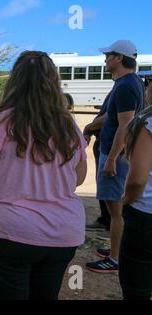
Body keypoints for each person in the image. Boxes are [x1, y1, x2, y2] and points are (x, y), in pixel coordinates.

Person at [0, 51, 88, 300]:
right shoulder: (69, 125)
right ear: (54, 82)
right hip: (62, 234)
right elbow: (79, 177)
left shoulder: (2, 119)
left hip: (9, 233)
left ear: (14, 80)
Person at [86, 40, 145, 273]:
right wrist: (90, 127)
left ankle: (114, 259)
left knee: (116, 210)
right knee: (115, 208)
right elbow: (111, 115)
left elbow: (125, 124)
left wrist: (111, 158)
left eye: (108, 55)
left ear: (119, 58)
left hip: (116, 156)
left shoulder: (125, 85)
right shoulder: (129, 83)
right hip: (116, 152)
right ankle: (116, 248)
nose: (105, 59)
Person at [120, 105, 152, 300]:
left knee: (137, 289)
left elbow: (137, 180)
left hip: (146, 215)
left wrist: (126, 201)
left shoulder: (148, 122)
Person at [83, 95, 111, 240]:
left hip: (109, 147)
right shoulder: (121, 85)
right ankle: (105, 220)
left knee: (110, 188)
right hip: (104, 144)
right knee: (103, 185)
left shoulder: (126, 85)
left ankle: (111, 225)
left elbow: (111, 115)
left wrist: (89, 127)